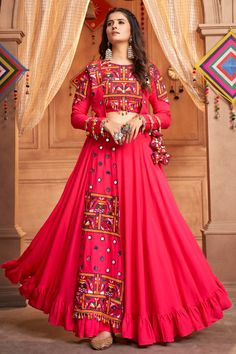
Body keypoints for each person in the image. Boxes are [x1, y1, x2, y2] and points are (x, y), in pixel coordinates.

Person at [1, 7, 232, 351]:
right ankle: (98, 324)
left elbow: (165, 115)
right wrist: (102, 124)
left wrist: (143, 121)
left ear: (132, 30)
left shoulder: (148, 73)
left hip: (138, 160)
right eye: (110, 23)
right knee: (97, 235)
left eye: (120, 22)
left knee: (141, 233)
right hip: (100, 160)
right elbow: (77, 117)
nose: (113, 26)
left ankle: (140, 321)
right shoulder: (93, 73)